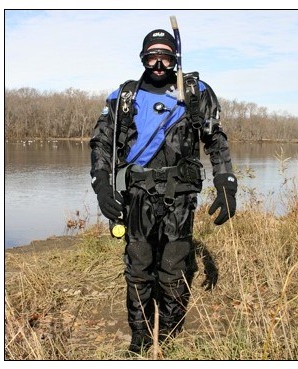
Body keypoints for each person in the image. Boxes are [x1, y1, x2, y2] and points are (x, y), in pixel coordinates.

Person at [90, 28, 237, 354]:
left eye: (165, 56)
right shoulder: (123, 97)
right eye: (152, 55)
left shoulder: (196, 92)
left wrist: (226, 184)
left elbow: (216, 140)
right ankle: (140, 338)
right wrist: (102, 188)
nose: (159, 63)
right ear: (143, 58)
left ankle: (168, 336)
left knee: (173, 269)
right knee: (139, 269)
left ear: (175, 58)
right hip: (137, 197)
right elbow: (101, 145)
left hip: (181, 198)